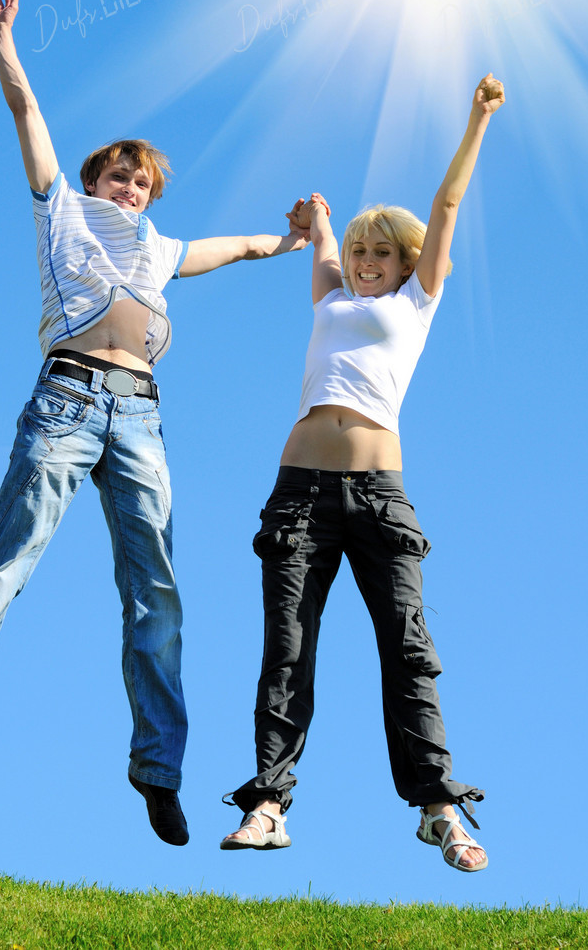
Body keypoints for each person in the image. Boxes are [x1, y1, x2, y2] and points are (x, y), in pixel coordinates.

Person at [0, 0, 310, 846]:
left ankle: (157, 770)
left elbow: (233, 249)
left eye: (143, 181)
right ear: (92, 180)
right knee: (8, 563)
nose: (131, 187)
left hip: (141, 420)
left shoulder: (158, 248)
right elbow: (26, 108)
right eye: (120, 173)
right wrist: (4, 40)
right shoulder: (60, 209)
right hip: (67, 402)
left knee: (154, 590)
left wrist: (290, 238)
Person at [220, 73, 505, 872]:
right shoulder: (327, 297)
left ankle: (439, 805)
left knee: (407, 651)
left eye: (382, 253)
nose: (367, 262)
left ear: (408, 262)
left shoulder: (417, 300)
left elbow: (445, 210)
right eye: (359, 251)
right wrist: (317, 218)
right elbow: (320, 241)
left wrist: (476, 119)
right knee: (287, 647)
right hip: (298, 495)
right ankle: (268, 804)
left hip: (379, 498)